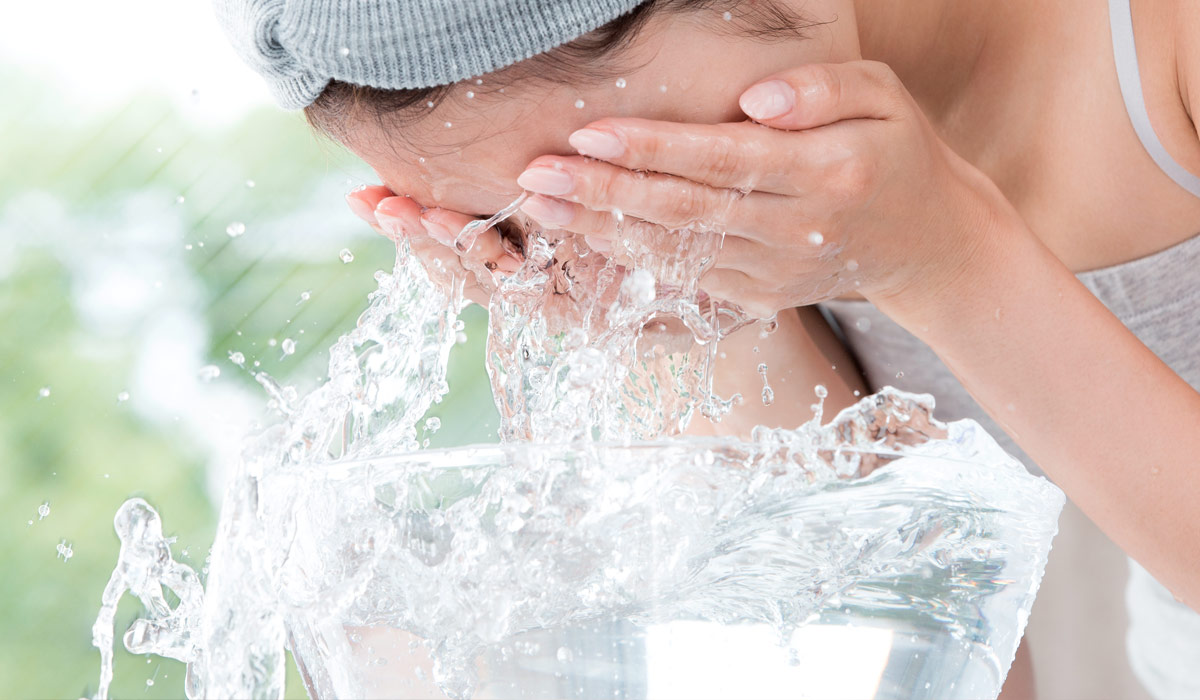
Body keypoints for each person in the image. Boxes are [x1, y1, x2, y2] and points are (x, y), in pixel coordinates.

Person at [215, 0, 1200, 697]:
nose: (625, 243)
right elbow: (947, 666)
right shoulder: (723, 229)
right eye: (526, 226)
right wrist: (691, 324)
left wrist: (951, 262)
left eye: (649, 180)